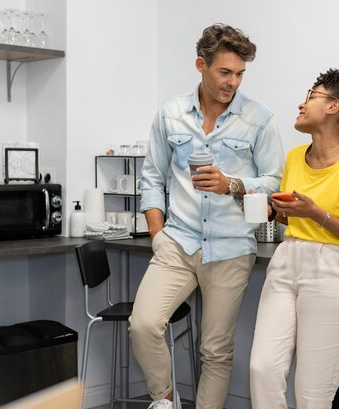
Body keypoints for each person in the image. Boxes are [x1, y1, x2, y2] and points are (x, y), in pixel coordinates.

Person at [129, 23, 284, 409]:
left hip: (232, 247)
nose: (233, 82)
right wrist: (156, 233)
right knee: (144, 324)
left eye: (240, 73)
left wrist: (231, 184)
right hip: (177, 243)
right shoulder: (170, 114)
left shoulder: (259, 119)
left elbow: (275, 183)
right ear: (202, 64)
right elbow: (151, 176)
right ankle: (164, 401)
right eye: (225, 72)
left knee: (215, 350)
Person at [249, 65, 339, 408]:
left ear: (333, 106)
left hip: (332, 271)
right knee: (262, 368)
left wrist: (315, 213)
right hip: (286, 262)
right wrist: (264, 207)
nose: (302, 103)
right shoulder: (296, 157)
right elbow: (286, 215)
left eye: (311, 96)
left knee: (312, 391)